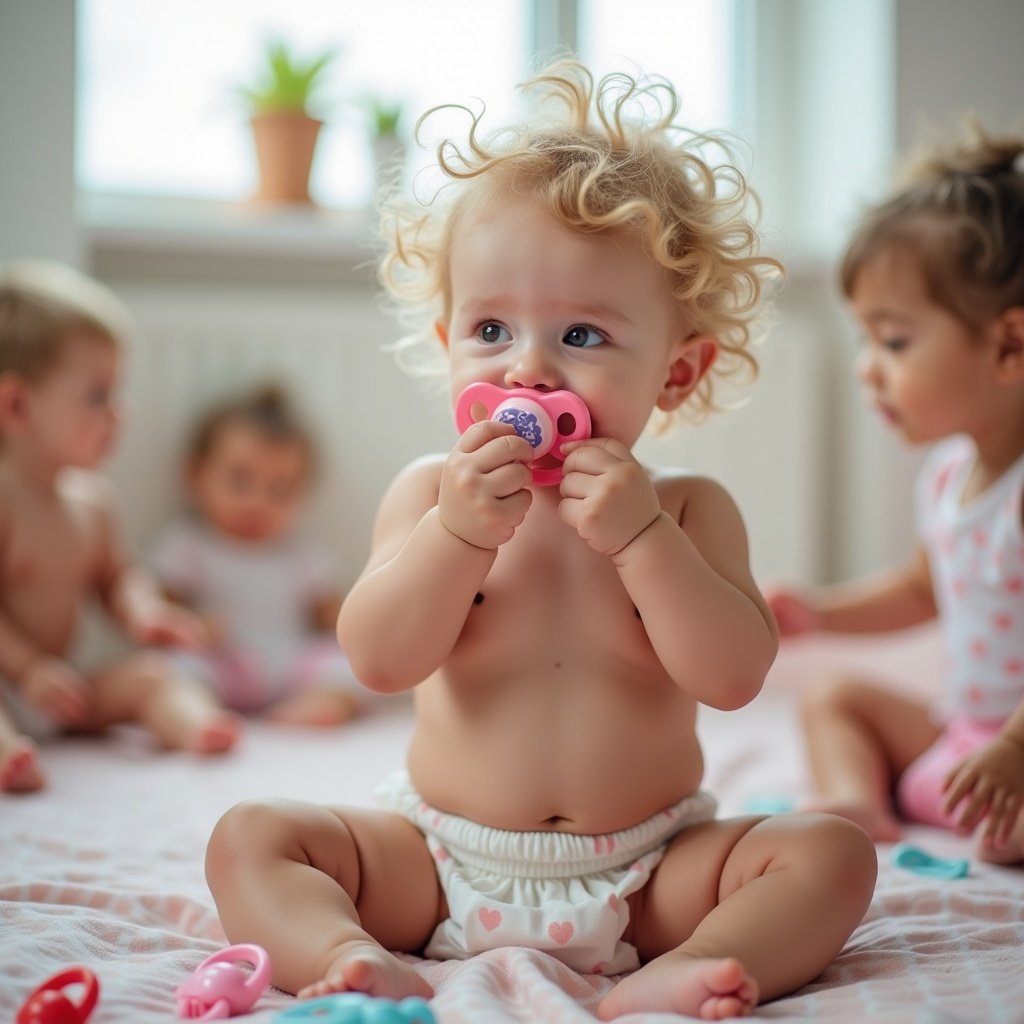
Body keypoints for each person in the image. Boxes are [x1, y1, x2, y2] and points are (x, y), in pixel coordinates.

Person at [206, 60, 876, 1020]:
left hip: (649, 875)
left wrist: (644, 540)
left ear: (678, 373)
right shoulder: (428, 495)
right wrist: (454, 537)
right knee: (251, 833)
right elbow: (378, 660)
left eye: (583, 336)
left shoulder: (688, 511)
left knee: (830, 854)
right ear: (448, 344)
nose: (526, 366)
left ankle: (691, 967)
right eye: (489, 327)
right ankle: (349, 951)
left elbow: (732, 677)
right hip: (437, 857)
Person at [766, 125, 1024, 862]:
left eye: (895, 342)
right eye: (864, 340)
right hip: (964, 730)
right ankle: (859, 802)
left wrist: (1013, 751)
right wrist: (821, 613)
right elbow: (921, 587)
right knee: (830, 697)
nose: (866, 369)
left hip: (1015, 747)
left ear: (1009, 346)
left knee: (1005, 834)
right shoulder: (948, 473)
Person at [0, 260, 240, 794]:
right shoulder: (5, 499)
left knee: (153, 676)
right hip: (15, 678)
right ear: (17, 406)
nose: (120, 413)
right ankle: (9, 753)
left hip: (59, 687)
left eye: (118, 392)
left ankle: (197, 725)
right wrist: (28, 668)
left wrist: (144, 612)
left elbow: (117, 577)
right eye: (97, 396)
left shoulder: (92, 504)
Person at [150, 384, 360, 726]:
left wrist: (351, 627)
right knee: (171, 672)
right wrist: (191, 625)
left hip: (291, 664)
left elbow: (331, 613)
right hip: (222, 662)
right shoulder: (190, 544)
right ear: (196, 474)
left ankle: (316, 706)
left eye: (280, 489)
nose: (258, 502)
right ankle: (198, 718)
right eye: (240, 481)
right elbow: (162, 608)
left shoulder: (299, 554)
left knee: (352, 667)